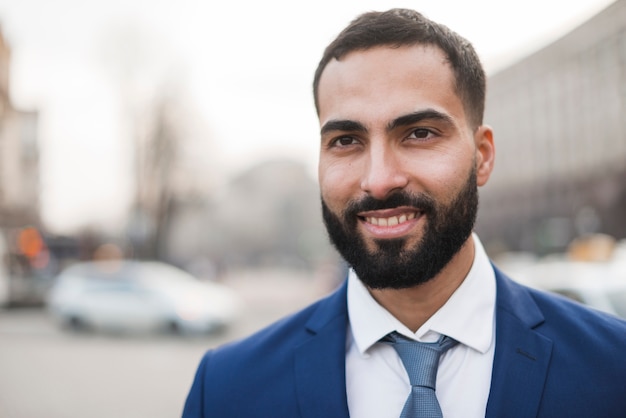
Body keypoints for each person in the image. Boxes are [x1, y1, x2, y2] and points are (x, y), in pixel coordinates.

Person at [182, 9, 626, 418]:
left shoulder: (613, 369)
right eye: (346, 141)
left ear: (483, 156)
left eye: (418, 133)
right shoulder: (227, 389)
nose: (379, 180)